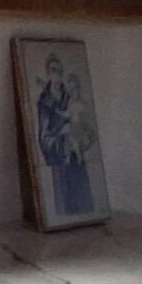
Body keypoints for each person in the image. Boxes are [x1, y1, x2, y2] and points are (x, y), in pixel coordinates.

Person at [34, 56, 94, 216]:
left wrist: (81, 135)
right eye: (54, 70)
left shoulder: (70, 96)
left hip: (77, 160)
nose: (57, 74)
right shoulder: (44, 102)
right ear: (48, 74)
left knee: (84, 203)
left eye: (60, 71)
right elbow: (44, 137)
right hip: (60, 159)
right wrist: (61, 135)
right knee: (66, 205)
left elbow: (87, 127)